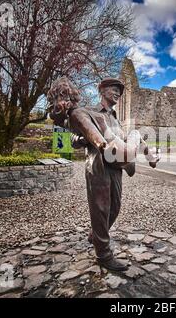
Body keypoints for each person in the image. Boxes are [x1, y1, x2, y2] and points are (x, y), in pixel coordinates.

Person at [47, 77, 158, 271]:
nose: (117, 93)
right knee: (101, 208)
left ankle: (95, 234)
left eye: (120, 91)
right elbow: (75, 134)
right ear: (102, 90)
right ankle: (104, 255)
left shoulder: (115, 119)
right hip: (98, 164)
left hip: (116, 167)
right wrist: (83, 140)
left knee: (115, 207)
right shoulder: (88, 111)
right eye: (114, 89)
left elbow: (119, 139)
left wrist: (126, 154)